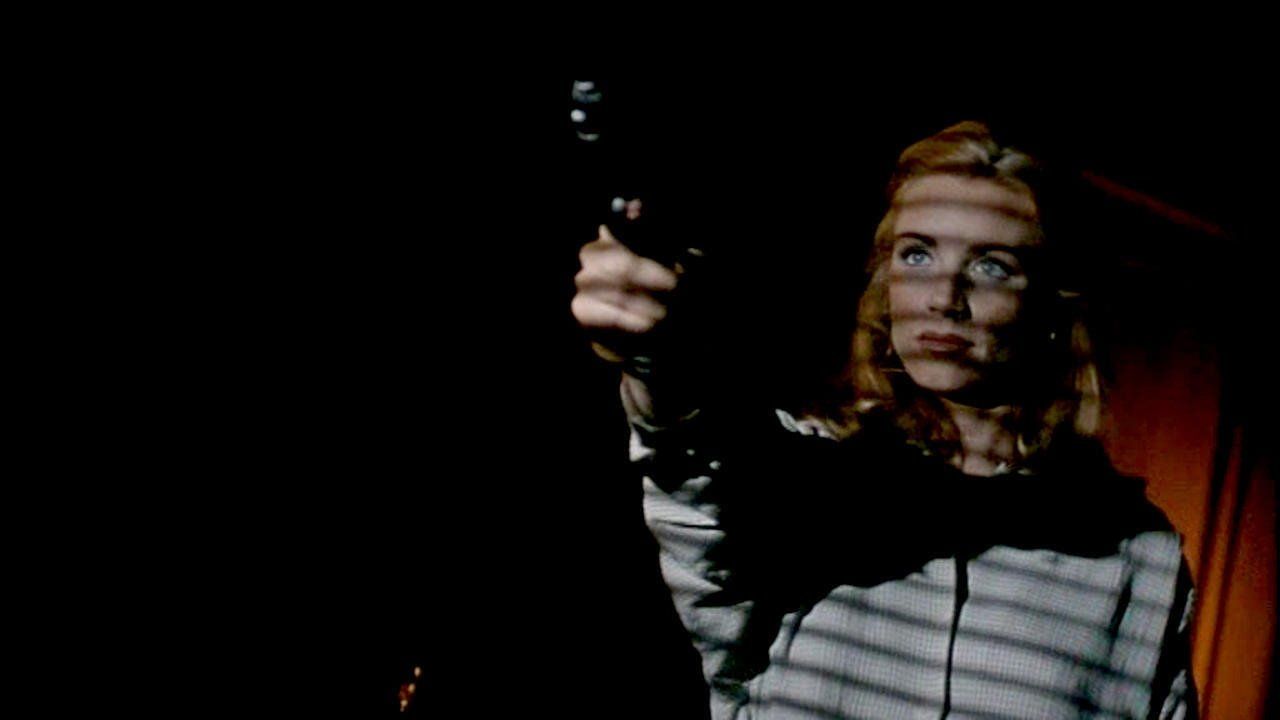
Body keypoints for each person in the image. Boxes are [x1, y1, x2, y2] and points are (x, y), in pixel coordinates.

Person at [572, 121, 1197, 719]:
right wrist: (657, 355)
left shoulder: (1136, 558)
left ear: (1054, 307)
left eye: (992, 266)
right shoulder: (802, 484)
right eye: (917, 255)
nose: (943, 298)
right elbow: (694, 458)